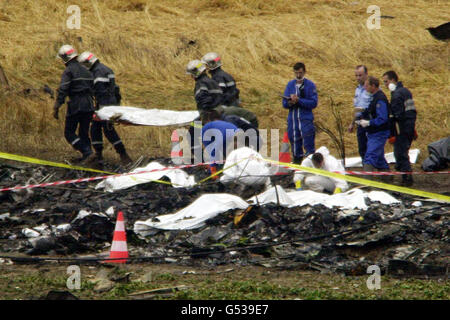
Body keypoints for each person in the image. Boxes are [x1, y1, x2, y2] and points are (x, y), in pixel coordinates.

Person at [77, 51, 132, 166]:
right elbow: (115, 90)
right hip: (110, 106)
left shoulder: (97, 73)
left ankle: (122, 155)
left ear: (87, 63)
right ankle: (101, 155)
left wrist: (99, 111)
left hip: (104, 108)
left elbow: (101, 93)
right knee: (98, 129)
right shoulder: (106, 69)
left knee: (107, 130)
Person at [53, 45, 95, 163]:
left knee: (69, 133)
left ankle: (87, 152)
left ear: (65, 58)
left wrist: (57, 106)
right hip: (89, 104)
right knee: (83, 132)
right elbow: (93, 87)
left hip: (77, 104)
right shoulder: (86, 69)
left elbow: (63, 89)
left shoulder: (69, 70)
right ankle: (89, 157)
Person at [382, 70, 417, 186]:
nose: (385, 85)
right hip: (409, 127)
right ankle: (406, 176)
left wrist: (392, 133)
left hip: (402, 129)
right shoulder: (406, 91)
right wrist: (412, 128)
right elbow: (411, 112)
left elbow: (396, 116)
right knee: (403, 152)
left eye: (386, 82)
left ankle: (406, 179)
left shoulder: (397, 95)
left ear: (393, 80)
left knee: (400, 153)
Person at [186, 59, 224, 163]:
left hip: (208, 116)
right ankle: (218, 161)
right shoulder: (212, 81)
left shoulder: (201, 84)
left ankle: (201, 161)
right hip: (218, 114)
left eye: (191, 74)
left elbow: (204, 102)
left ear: (195, 73)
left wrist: (204, 118)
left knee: (192, 134)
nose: (191, 77)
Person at [282, 62, 318, 164]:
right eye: (296, 73)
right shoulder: (290, 85)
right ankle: (297, 167)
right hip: (293, 120)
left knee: (308, 144)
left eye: (300, 73)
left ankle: (311, 167)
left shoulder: (310, 85)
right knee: (294, 144)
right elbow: (284, 104)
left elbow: (314, 103)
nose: (298, 75)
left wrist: (299, 101)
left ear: (304, 72)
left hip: (305, 119)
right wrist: (290, 102)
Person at [358, 76, 391, 178]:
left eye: (367, 85)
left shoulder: (380, 99)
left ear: (373, 86)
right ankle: (387, 178)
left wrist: (369, 123)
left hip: (379, 133)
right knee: (379, 158)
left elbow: (382, 118)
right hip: (373, 133)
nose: (365, 87)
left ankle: (367, 182)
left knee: (370, 156)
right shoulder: (374, 98)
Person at [201, 110, 238, 177]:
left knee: (225, 154)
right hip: (235, 131)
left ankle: (213, 170)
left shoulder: (207, 127)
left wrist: (213, 168)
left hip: (228, 135)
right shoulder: (219, 125)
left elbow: (213, 151)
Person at [348, 65, 372, 162]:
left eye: (360, 75)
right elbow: (357, 108)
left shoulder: (371, 88)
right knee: (362, 147)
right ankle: (366, 169)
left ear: (366, 74)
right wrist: (352, 123)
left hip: (369, 120)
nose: (358, 78)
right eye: (356, 75)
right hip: (359, 121)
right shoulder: (357, 89)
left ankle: (380, 171)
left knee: (371, 148)